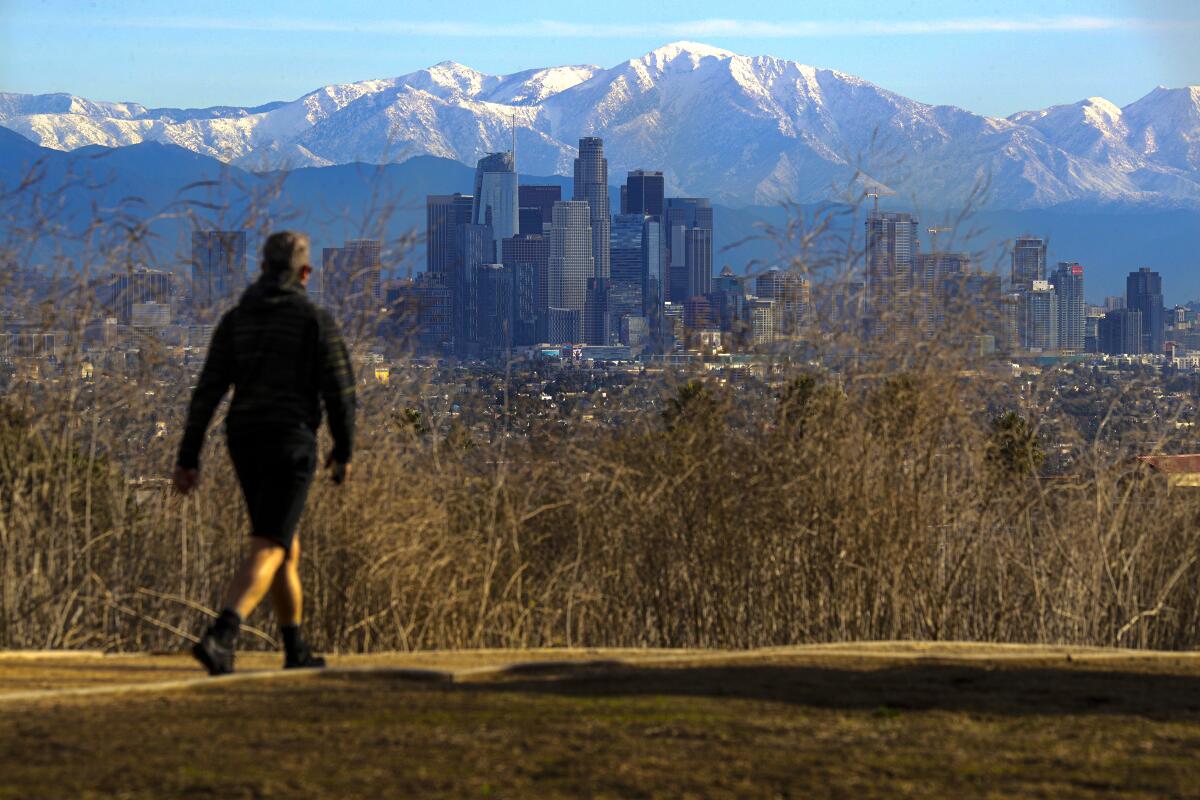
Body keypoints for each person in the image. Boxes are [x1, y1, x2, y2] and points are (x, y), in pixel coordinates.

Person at [174, 230, 356, 675]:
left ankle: (295, 648)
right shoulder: (314, 320)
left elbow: (207, 392)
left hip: (244, 438)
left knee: (283, 542)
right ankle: (222, 635)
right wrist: (344, 449)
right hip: (290, 440)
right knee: (271, 542)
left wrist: (188, 456)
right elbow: (341, 393)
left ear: (261, 269)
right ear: (305, 273)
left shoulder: (237, 319)